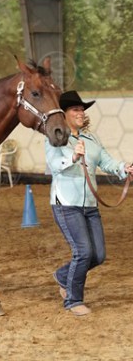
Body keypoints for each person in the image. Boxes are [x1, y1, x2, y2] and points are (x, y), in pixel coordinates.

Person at [45, 90, 133, 316]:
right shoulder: (56, 138)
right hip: (66, 204)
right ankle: (73, 300)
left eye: (82, 109)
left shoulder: (91, 139)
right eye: (75, 109)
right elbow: (54, 165)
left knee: (98, 255)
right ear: (64, 114)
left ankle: (63, 276)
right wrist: (73, 156)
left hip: (90, 205)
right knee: (83, 252)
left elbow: (106, 161)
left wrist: (123, 168)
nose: (81, 113)